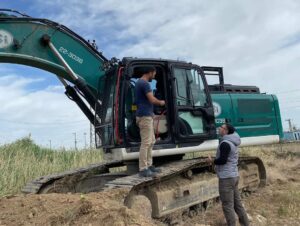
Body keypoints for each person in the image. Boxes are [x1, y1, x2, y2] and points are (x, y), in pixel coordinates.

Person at [207, 123, 249, 226]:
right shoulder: (233, 142)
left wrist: (212, 161)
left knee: (227, 205)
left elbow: (222, 160)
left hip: (226, 178)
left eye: (221, 127)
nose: (219, 129)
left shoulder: (225, 143)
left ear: (225, 131)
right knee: (237, 204)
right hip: (233, 176)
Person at [135, 66, 165, 177]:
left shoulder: (139, 83)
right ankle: (143, 169)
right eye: (154, 74)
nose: (154, 76)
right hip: (144, 117)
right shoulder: (144, 83)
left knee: (151, 141)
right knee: (146, 143)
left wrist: (151, 113)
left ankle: (149, 165)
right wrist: (162, 102)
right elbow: (152, 100)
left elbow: (144, 102)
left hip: (146, 115)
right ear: (150, 72)